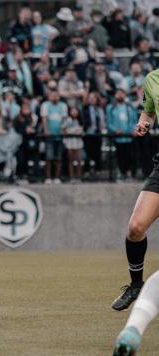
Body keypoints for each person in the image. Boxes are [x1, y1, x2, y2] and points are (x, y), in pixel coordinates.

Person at [111, 69, 159, 354]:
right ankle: (136, 285)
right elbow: (149, 112)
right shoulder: (152, 79)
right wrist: (143, 123)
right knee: (135, 227)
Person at [107, 89, 138, 181]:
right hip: (118, 137)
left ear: (125, 95)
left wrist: (134, 130)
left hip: (129, 136)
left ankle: (128, 173)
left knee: (129, 156)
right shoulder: (110, 107)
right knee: (120, 156)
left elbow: (134, 120)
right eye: (118, 94)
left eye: (122, 94)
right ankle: (121, 173)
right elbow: (109, 122)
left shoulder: (130, 107)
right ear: (115, 96)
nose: (120, 96)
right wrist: (114, 130)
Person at [41, 89, 67, 184]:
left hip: (59, 135)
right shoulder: (45, 105)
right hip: (50, 135)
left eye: (56, 95)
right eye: (53, 95)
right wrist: (46, 130)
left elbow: (64, 119)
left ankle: (57, 177)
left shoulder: (63, 106)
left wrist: (63, 130)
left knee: (59, 157)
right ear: (49, 96)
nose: (55, 97)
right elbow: (44, 119)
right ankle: (48, 177)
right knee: (49, 157)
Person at [62, 106, 84, 181]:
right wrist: (72, 132)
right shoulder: (67, 120)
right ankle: (72, 177)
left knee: (79, 160)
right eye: (72, 111)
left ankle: (79, 177)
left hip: (78, 142)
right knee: (70, 160)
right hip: (70, 142)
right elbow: (64, 131)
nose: (74, 112)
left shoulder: (80, 120)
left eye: (75, 111)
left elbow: (82, 131)